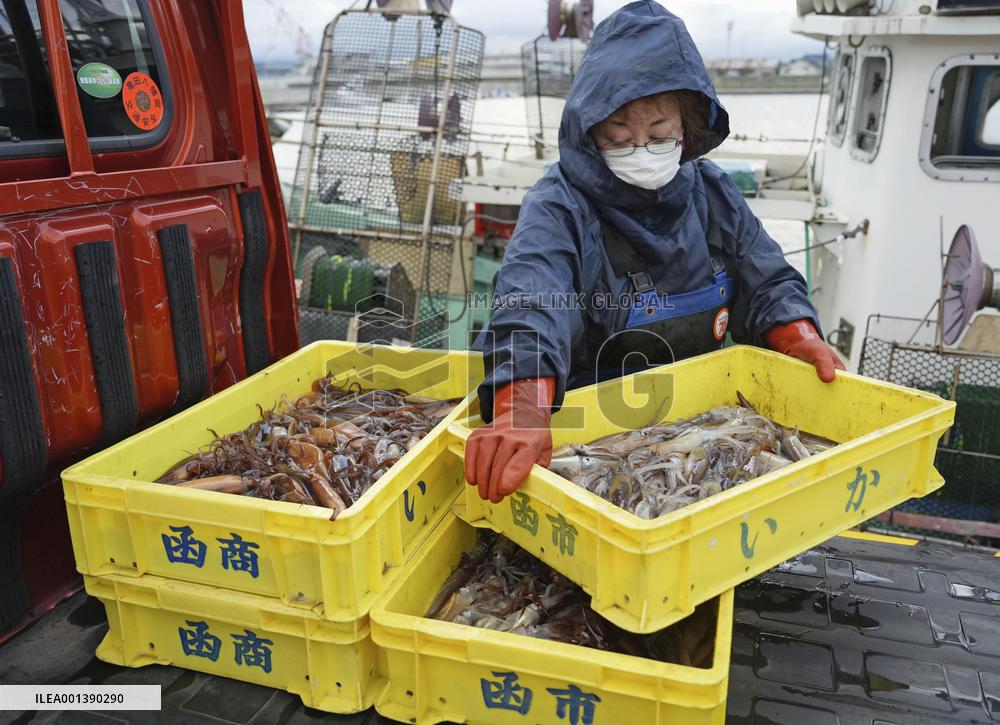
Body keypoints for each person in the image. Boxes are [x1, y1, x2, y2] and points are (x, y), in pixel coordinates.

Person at [466, 1, 844, 504]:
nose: (641, 146)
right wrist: (523, 406)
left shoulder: (713, 193)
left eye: (659, 133)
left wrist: (800, 335)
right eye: (620, 134)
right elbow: (532, 300)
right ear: (591, 129)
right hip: (585, 440)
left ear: (687, 128)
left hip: (700, 432)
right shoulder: (559, 205)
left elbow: (768, 278)